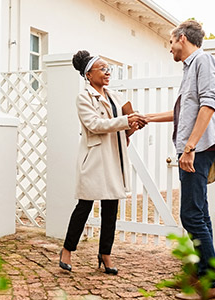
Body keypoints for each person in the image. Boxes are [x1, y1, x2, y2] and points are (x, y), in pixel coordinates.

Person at [145, 20, 215, 299]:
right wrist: (148, 117)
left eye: (170, 42)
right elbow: (184, 111)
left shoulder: (204, 61)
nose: (169, 49)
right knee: (199, 214)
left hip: (198, 150)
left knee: (190, 215)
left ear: (181, 38)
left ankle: (209, 283)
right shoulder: (190, 68)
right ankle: (204, 272)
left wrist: (190, 147)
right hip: (194, 149)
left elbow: (209, 104)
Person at [58, 50, 147, 274]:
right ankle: (67, 249)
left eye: (109, 69)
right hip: (95, 158)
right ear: (89, 75)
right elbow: (95, 125)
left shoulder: (116, 96)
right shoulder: (83, 98)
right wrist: (127, 120)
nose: (108, 73)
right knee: (84, 206)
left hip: (114, 156)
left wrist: (134, 125)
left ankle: (105, 255)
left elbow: (126, 123)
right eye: (103, 69)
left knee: (111, 208)